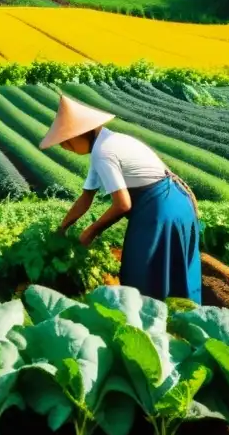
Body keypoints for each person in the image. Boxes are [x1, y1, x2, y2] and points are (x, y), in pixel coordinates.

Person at [39, 93, 202, 303]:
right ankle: (181, 322)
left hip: (160, 210)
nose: (66, 147)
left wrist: (91, 232)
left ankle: (154, 325)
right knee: (176, 271)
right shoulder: (110, 142)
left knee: (142, 273)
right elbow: (86, 197)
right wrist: (63, 228)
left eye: (67, 141)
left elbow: (123, 204)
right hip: (178, 205)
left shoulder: (103, 152)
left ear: (83, 134)